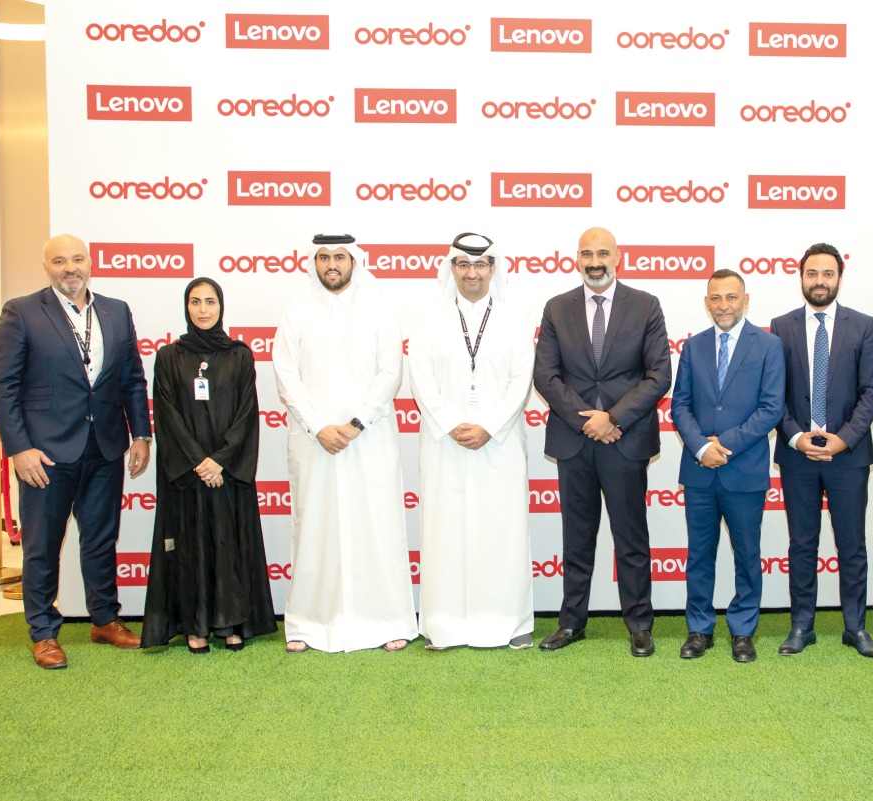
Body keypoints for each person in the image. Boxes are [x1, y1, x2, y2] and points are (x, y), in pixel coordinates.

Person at [0, 233, 150, 669]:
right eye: (59, 261)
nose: (69, 268)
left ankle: (104, 620)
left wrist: (141, 434)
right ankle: (43, 631)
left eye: (77, 259)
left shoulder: (116, 311)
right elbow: (3, 387)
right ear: (47, 268)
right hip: (44, 454)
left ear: (90, 262)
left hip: (104, 447)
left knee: (101, 539)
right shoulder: (21, 312)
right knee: (42, 544)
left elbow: (132, 377)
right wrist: (19, 449)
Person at [272, 234, 416, 654]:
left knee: (377, 525)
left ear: (354, 260)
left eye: (339, 256)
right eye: (323, 257)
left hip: (368, 439)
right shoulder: (296, 313)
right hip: (313, 440)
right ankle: (308, 624)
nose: (331, 264)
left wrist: (354, 424)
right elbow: (286, 376)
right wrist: (319, 426)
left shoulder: (378, 310)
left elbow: (390, 373)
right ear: (313, 262)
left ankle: (388, 620)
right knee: (314, 526)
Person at [533, 226, 672, 657]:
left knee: (631, 537)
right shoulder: (557, 308)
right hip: (575, 442)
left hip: (625, 440)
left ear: (618, 257)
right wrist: (587, 421)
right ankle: (571, 622)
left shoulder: (646, 306)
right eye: (587, 253)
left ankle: (639, 624)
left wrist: (612, 418)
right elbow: (546, 376)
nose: (595, 261)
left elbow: (658, 375)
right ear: (577, 258)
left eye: (603, 253)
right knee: (576, 539)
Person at [408, 233, 535, 650]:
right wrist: (451, 422)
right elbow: (421, 378)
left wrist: (489, 426)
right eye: (463, 264)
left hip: (498, 443)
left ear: (493, 269)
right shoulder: (429, 318)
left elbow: (522, 380)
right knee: (446, 533)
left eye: (480, 265)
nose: (472, 272)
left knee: (502, 533)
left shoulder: (515, 319)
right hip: (445, 443)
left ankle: (508, 623)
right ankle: (443, 626)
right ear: (452, 269)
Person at [141, 278, 277, 653]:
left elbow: (248, 413)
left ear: (221, 307)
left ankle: (232, 622)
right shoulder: (169, 356)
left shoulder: (239, 354)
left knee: (229, 543)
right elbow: (166, 416)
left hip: (227, 474)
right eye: (195, 302)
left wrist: (221, 461)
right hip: (187, 476)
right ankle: (194, 625)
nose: (203, 309)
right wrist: (199, 462)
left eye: (211, 302)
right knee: (188, 548)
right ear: (186, 307)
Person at [770, 243, 873, 659]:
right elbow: (773, 394)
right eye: (812, 273)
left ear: (840, 277)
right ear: (801, 277)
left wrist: (845, 438)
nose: (820, 281)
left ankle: (855, 627)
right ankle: (802, 624)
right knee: (802, 543)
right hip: (797, 453)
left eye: (828, 273)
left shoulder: (863, 325)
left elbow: (872, 391)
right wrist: (796, 436)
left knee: (851, 543)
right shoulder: (780, 326)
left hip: (848, 455)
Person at [671, 269, 784, 663]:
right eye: (716, 298)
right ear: (706, 303)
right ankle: (699, 628)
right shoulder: (693, 346)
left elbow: (771, 408)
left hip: (744, 470)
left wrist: (726, 444)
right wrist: (702, 447)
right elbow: (679, 405)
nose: (723, 305)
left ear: (745, 300)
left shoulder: (769, 346)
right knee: (699, 554)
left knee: (747, 555)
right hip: (700, 470)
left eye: (731, 297)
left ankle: (742, 630)